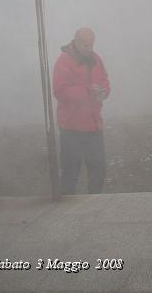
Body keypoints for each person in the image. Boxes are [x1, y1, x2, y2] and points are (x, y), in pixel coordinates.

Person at [53, 28, 110, 195]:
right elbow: (60, 90)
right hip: (71, 127)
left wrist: (104, 92)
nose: (89, 48)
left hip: (93, 125)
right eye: (85, 45)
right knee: (70, 172)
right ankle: (66, 211)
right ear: (76, 42)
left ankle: (95, 204)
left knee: (98, 169)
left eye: (91, 45)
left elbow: (105, 81)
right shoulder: (64, 61)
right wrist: (88, 91)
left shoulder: (96, 59)